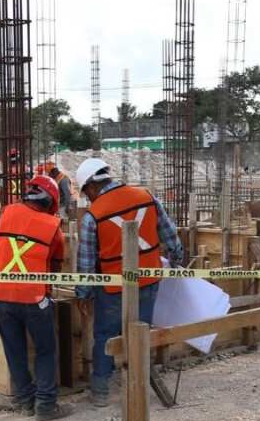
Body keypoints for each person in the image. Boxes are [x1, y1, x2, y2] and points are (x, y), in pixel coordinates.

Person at [74, 158, 184, 407]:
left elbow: (86, 262)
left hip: (114, 287)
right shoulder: (145, 196)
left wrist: (84, 293)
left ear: (91, 187)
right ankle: (138, 384)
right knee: (140, 330)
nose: (88, 198)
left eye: (86, 193)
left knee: (104, 335)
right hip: (148, 279)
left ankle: (101, 392)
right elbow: (168, 231)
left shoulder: (94, 216)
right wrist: (177, 258)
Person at [0, 174, 72, 420]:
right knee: (45, 350)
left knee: (14, 350)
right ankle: (45, 405)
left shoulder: (7, 212)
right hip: (33, 298)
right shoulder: (53, 226)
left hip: (0, 294)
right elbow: (55, 267)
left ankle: (25, 401)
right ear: (50, 202)